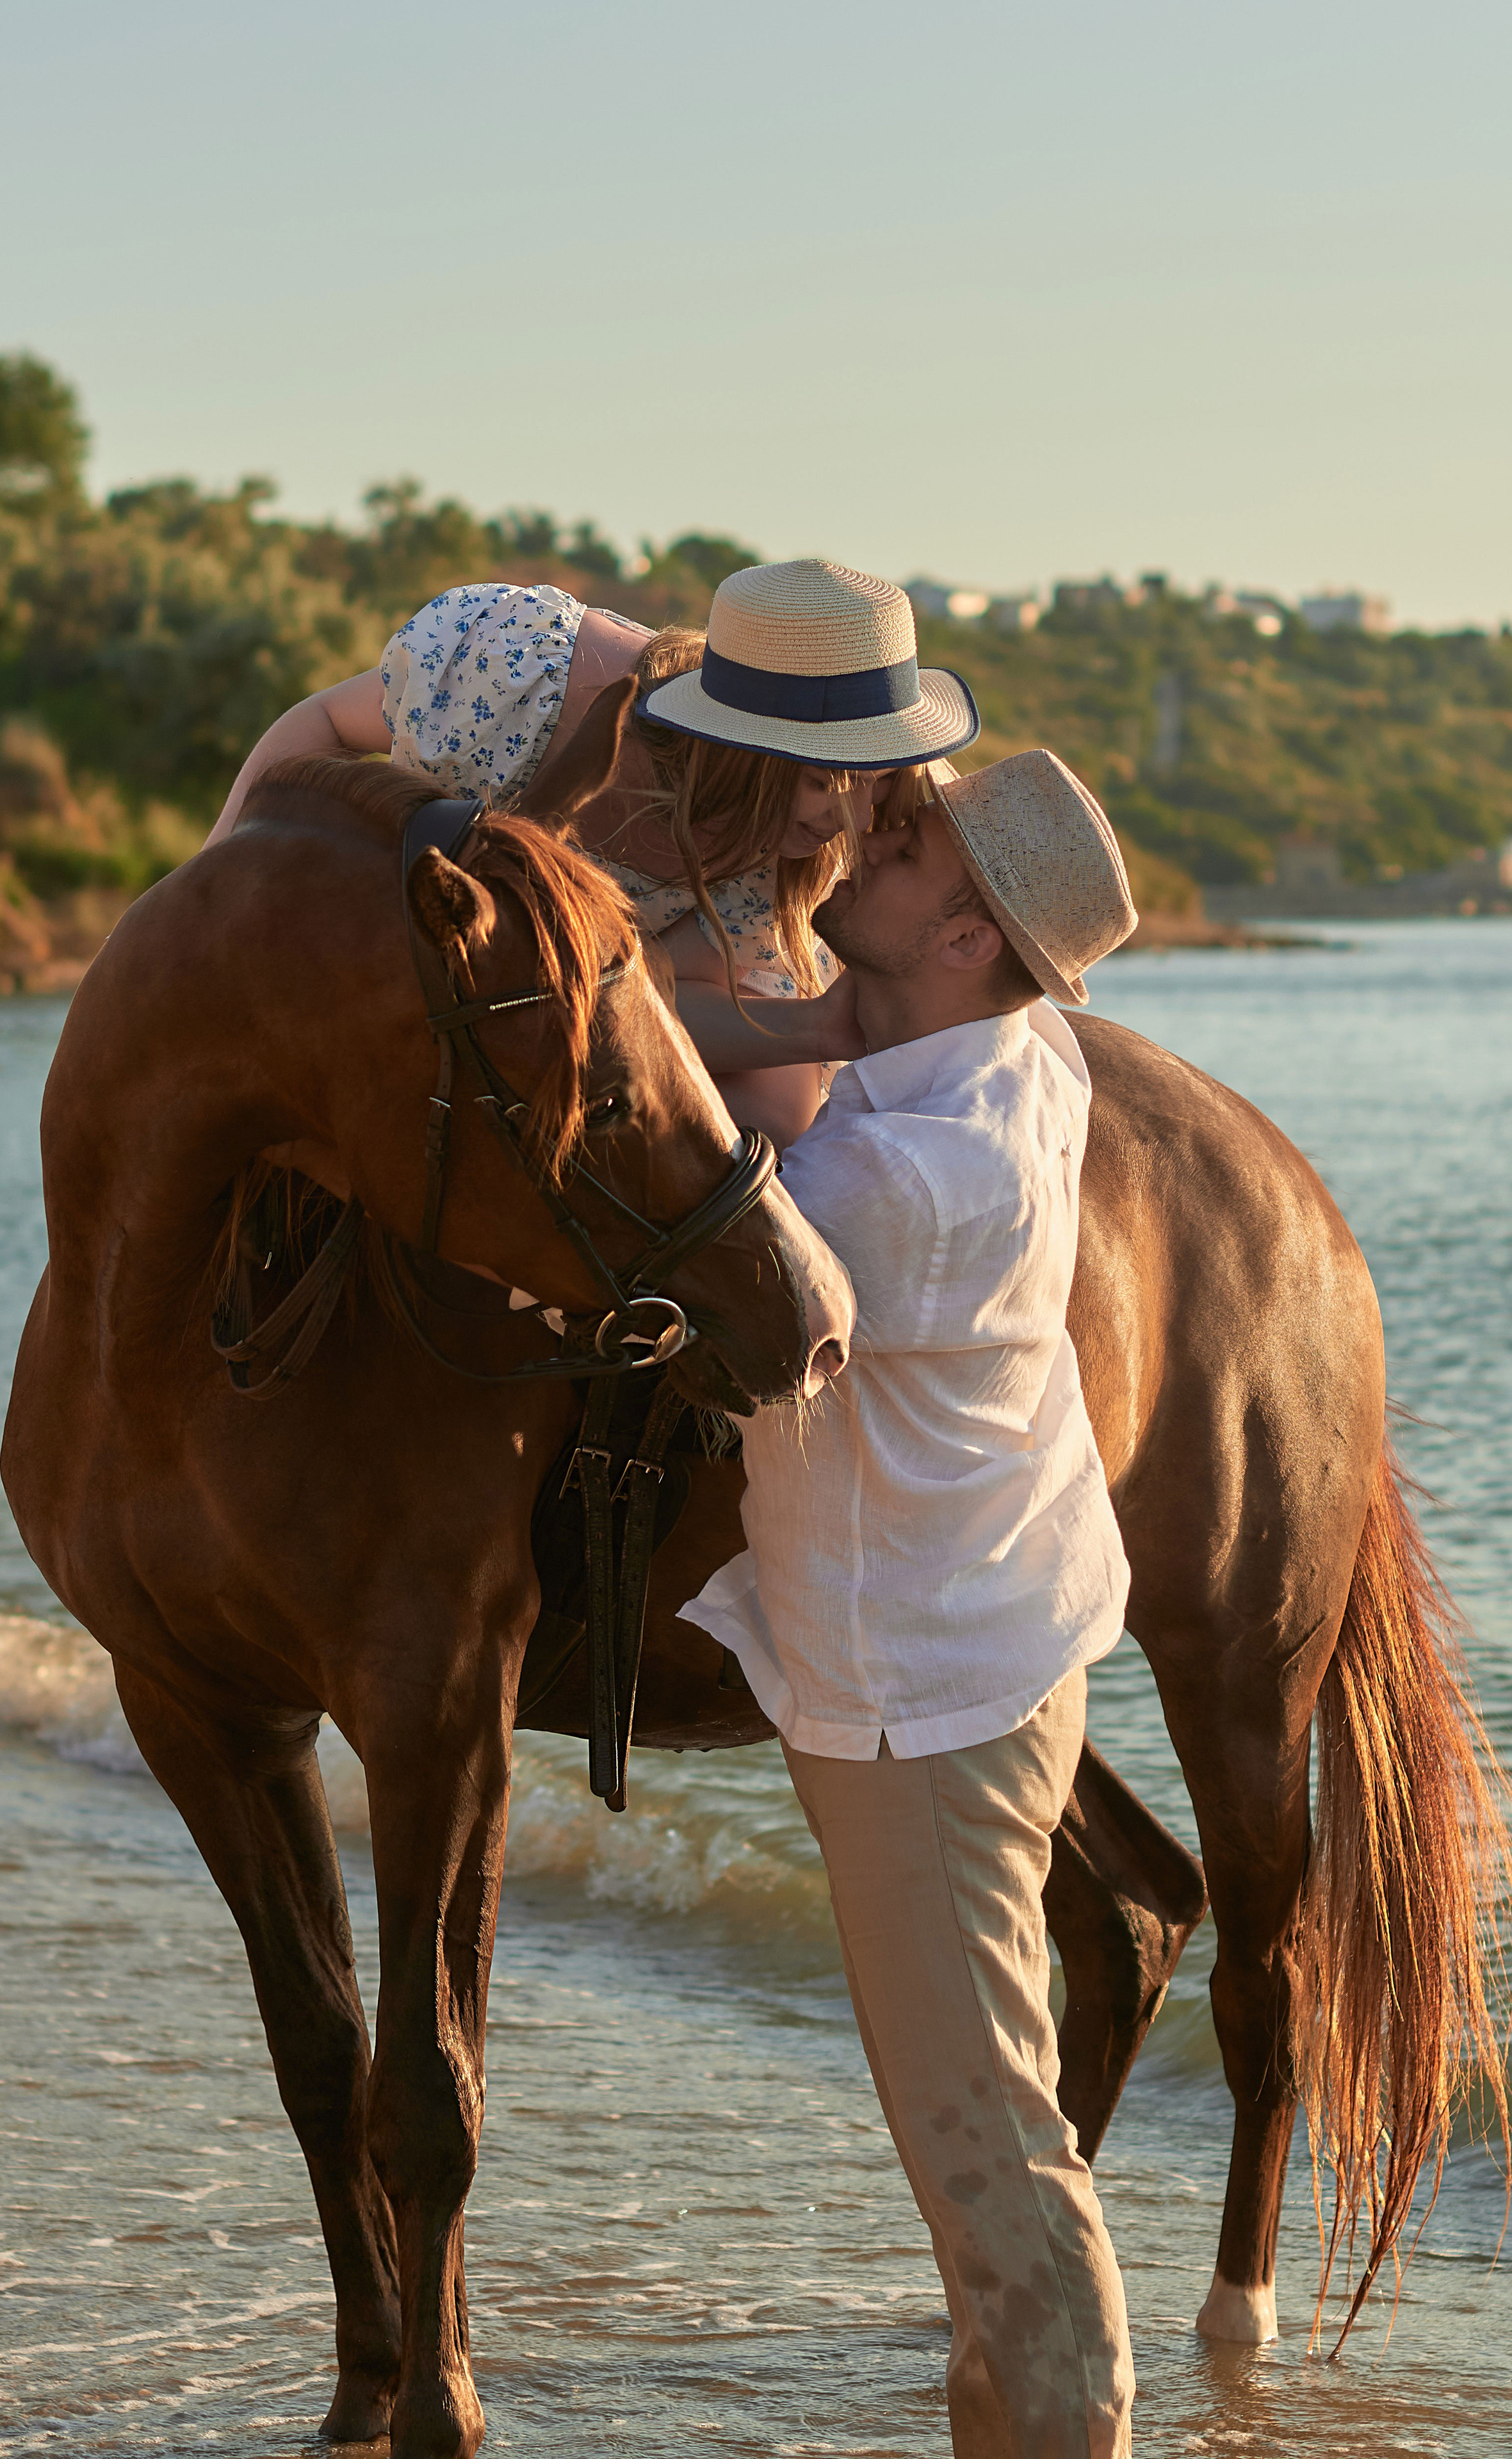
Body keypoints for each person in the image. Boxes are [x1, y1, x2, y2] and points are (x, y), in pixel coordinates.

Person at [683, 752, 1141, 2458]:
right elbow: (805, 1042)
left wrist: (728, 906)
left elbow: (681, 1204)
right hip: (991, 1638)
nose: (857, 830)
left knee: (989, 2152)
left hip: (928, 1706)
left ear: (958, 932)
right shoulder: (997, 1047)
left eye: (899, 833)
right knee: (980, 2152)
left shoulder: (910, 1182)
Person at [206, 561, 979, 1145]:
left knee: (778, 1114)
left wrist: (822, 1027)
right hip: (402, 926)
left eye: (871, 783)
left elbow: (676, 998)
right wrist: (207, 894)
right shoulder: (522, 676)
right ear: (745, 753)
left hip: (548, 997)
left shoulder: (777, 845)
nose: (849, 820)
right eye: (820, 782)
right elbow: (326, 726)